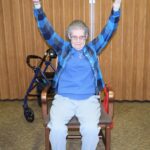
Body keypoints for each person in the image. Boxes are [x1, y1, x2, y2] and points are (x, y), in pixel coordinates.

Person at [32, 0, 121, 149]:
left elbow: (108, 32)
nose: (78, 40)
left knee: (91, 130)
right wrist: (37, 7)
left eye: (82, 37)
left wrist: (116, 9)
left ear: (86, 36)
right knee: (58, 129)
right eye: (74, 37)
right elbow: (46, 31)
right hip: (63, 99)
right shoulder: (63, 48)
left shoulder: (93, 48)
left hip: (88, 100)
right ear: (69, 36)